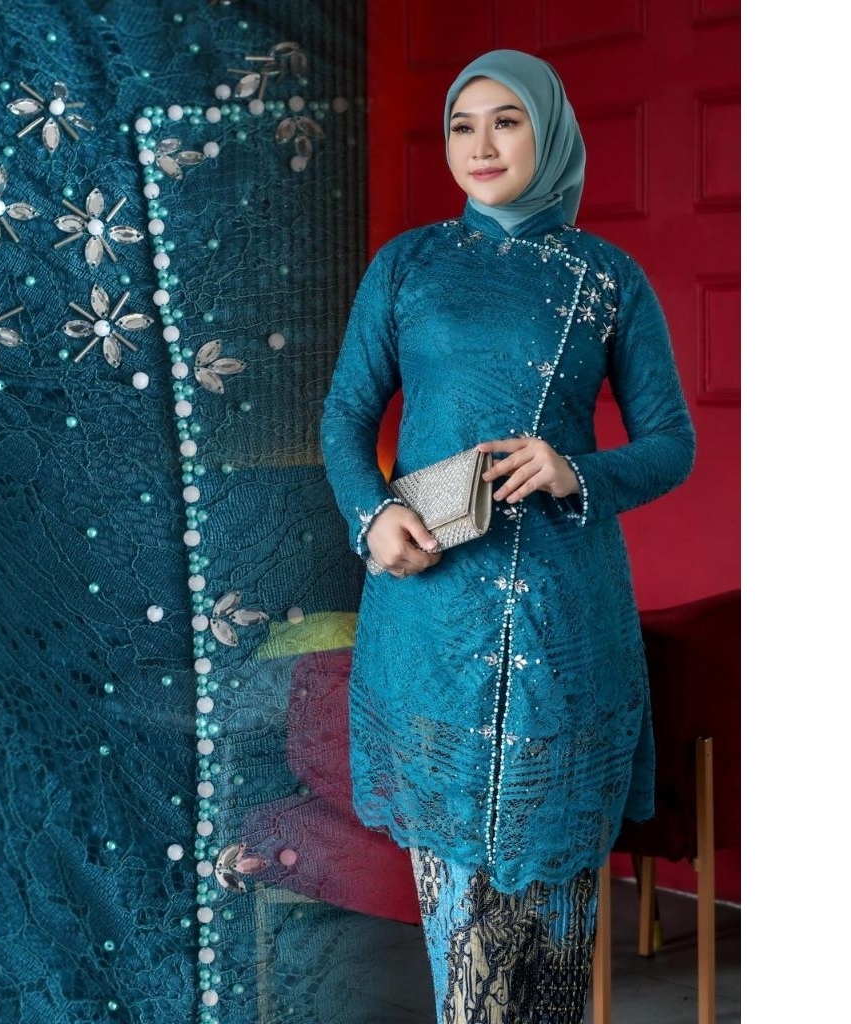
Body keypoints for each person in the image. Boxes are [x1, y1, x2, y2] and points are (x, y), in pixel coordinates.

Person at [320, 48, 695, 1023]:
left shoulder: (607, 279)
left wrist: (578, 471)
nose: (480, 146)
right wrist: (374, 515)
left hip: (564, 623)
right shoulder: (406, 266)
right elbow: (345, 418)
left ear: (549, 133)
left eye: (506, 121)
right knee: (467, 948)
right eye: (462, 125)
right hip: (430, 618)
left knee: (553, 947)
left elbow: (672, 444)